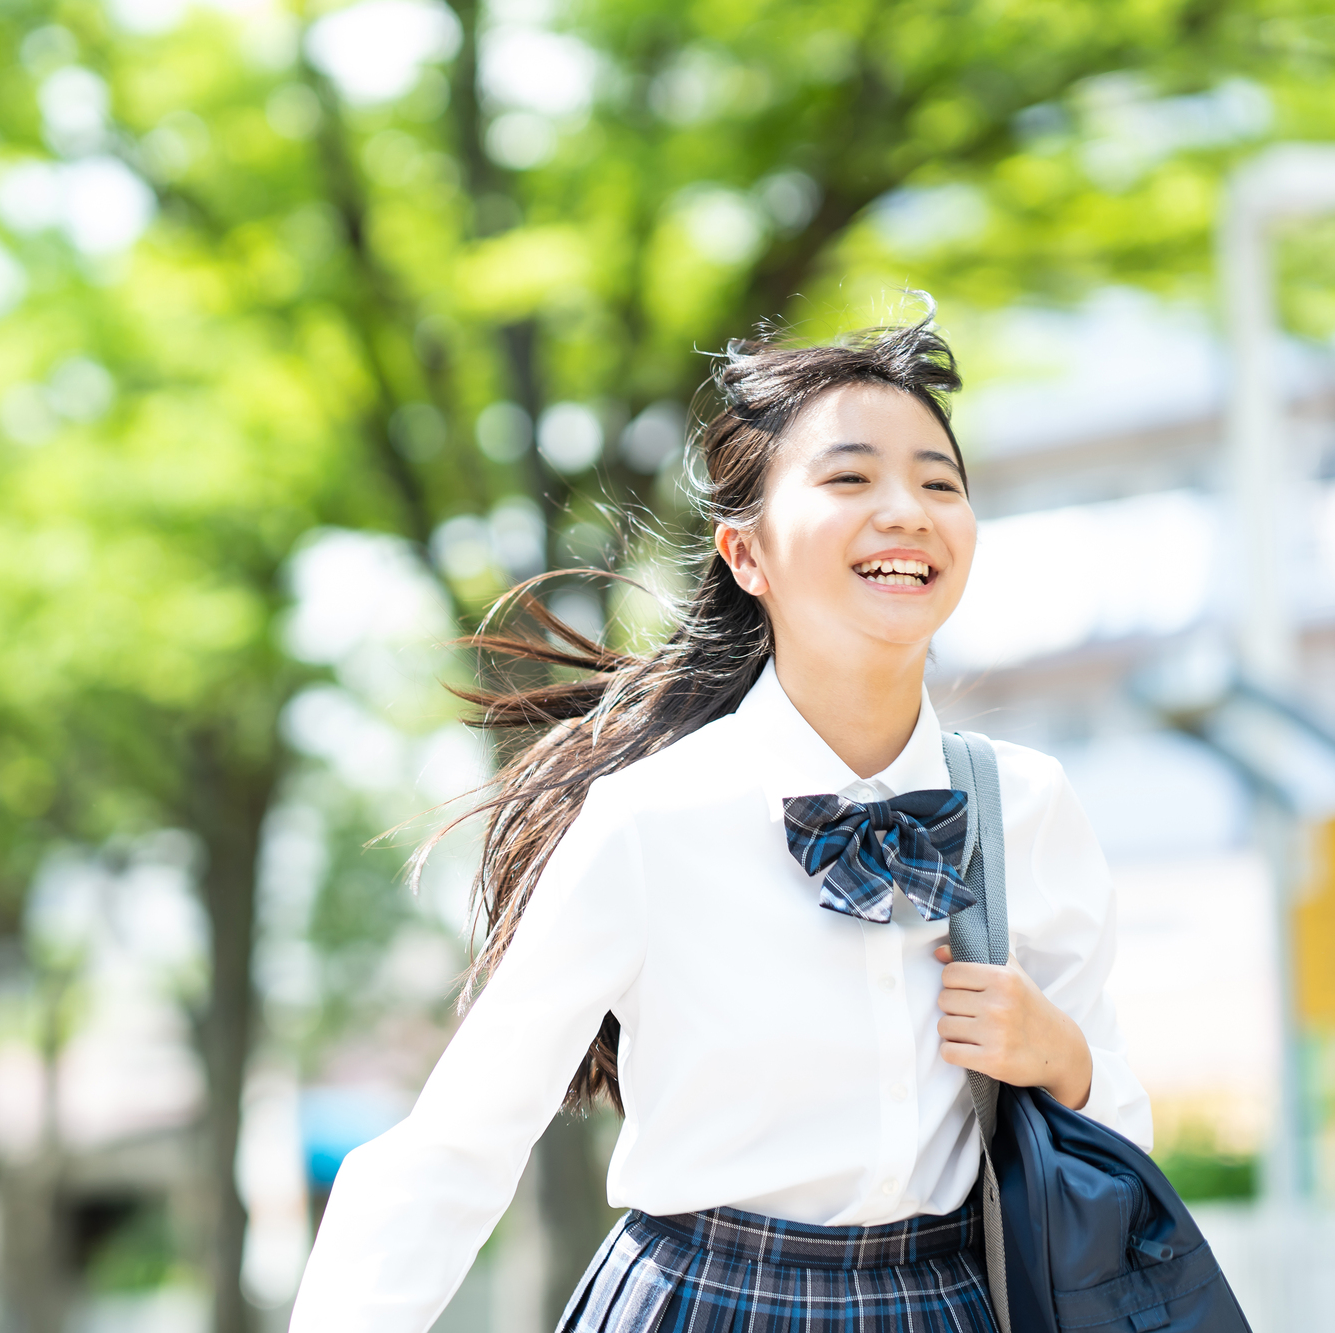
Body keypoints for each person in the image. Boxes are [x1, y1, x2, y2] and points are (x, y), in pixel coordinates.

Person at [288, 313, 1151, 1332]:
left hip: (948, 1301)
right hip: (700, 1301)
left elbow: (1119, 1150)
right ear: (746, 554)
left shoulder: (1026, 806)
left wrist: (1063, 1058)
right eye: (848, 479)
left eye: (937, 482)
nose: (905, 510)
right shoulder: (649, 816)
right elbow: (457, 1141)